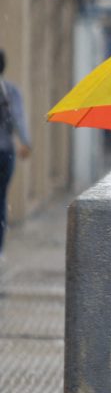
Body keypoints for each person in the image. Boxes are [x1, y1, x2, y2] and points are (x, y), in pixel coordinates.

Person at [0, 49, 31, 258]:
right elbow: (18, 118)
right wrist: (25, 143)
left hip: (5, 153)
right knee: (1, 198)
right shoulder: (10, 91)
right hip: (5, 153)